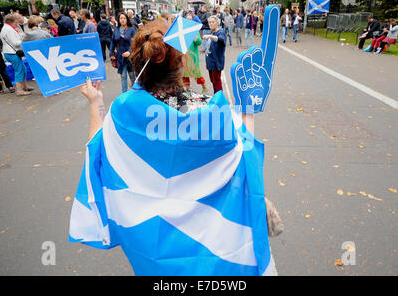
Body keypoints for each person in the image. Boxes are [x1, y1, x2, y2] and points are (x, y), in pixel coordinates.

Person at [70, 18, 279, 276]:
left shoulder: (121, 112)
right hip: (209, 249)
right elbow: (244, 158)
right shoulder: (213, 113)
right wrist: (248, 110)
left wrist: (95, 102)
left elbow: (97, 152)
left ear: (138, 63)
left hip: (149, 249)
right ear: (181, 63)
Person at [0, 14, 32, 96]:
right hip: (12, 52)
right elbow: (15, 43)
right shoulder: (9, 30)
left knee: (23, 69)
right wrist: (23, 40)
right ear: (11, 21)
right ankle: (20, 90)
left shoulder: (7, 28)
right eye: (16, 22)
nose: (17, 24)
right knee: (19, 70)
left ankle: (25, 86)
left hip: (11, 52)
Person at [109, 12, 137, 93]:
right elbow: (113, 42)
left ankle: (135, 92)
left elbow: (135, 43)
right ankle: (124, 94)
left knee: (132, 76)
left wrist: (130, 52)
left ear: (127, 19)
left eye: (124, 18)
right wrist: (111, 53)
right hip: (120, 57)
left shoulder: (131, 29)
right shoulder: (116, 30)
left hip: (130, 57)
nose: (123, 20)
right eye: (121, 18)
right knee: (123, 76)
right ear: (118, 20)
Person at [182, 14, 207, 94]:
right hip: (184, 56)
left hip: (193, 57)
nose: (188, 21)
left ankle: (204, 87)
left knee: (197, 75)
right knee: (185, 76)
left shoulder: (195, 30)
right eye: (187, 19)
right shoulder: (182, 30)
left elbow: (199, 43)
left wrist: (196, 38)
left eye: (190, 19)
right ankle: (187, 90)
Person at [203, 15, 226, 93]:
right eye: (209, 22)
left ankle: (220, 99)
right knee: (213, 81)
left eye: (213, 22)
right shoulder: (212, 32)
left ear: (217, 23)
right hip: (210, 62)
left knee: (217, 81)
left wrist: (210, 36)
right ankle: (216, 96)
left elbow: (221, 41)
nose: (211, 24)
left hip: (216, 62)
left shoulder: (220, 32)